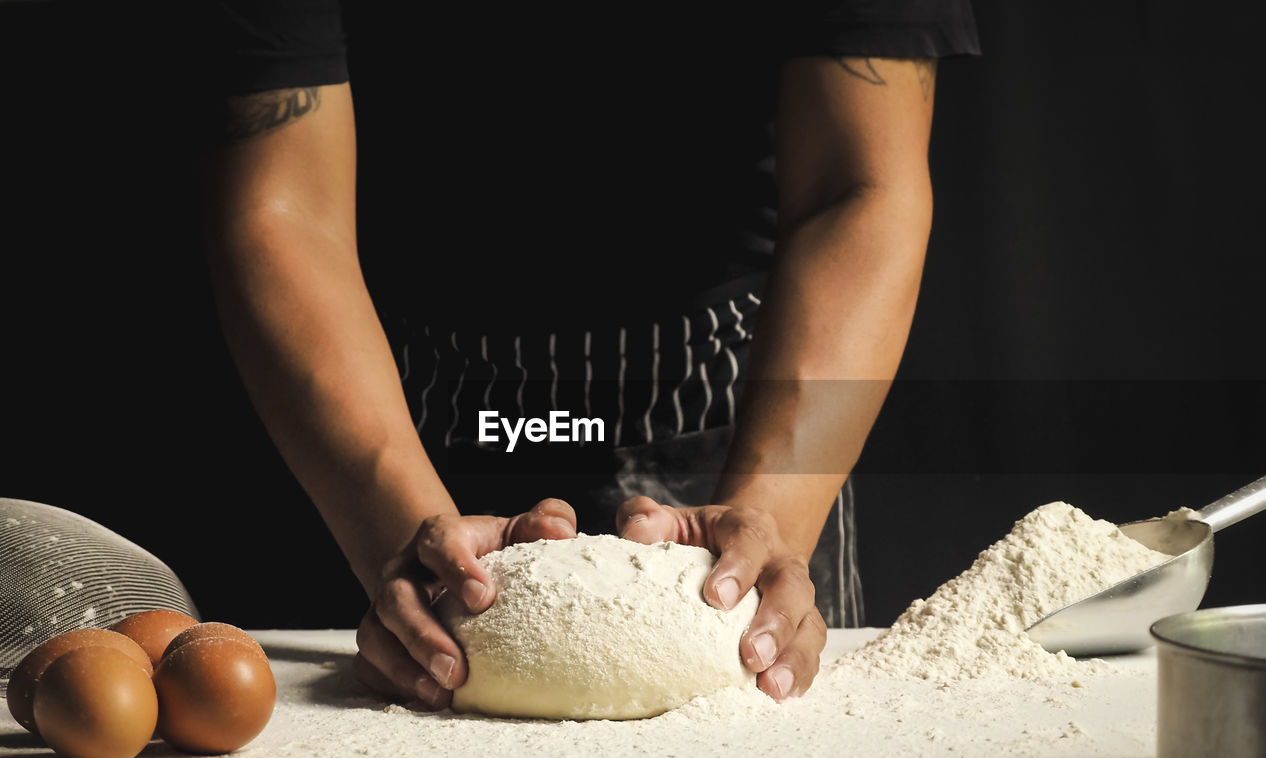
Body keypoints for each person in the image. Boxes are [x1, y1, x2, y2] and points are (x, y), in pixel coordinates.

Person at [203, 2, 979, 710]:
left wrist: (767, 519)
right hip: (406, 417)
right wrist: (404, 530)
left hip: (738, 411)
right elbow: (287, 206)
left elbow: (859, 185)